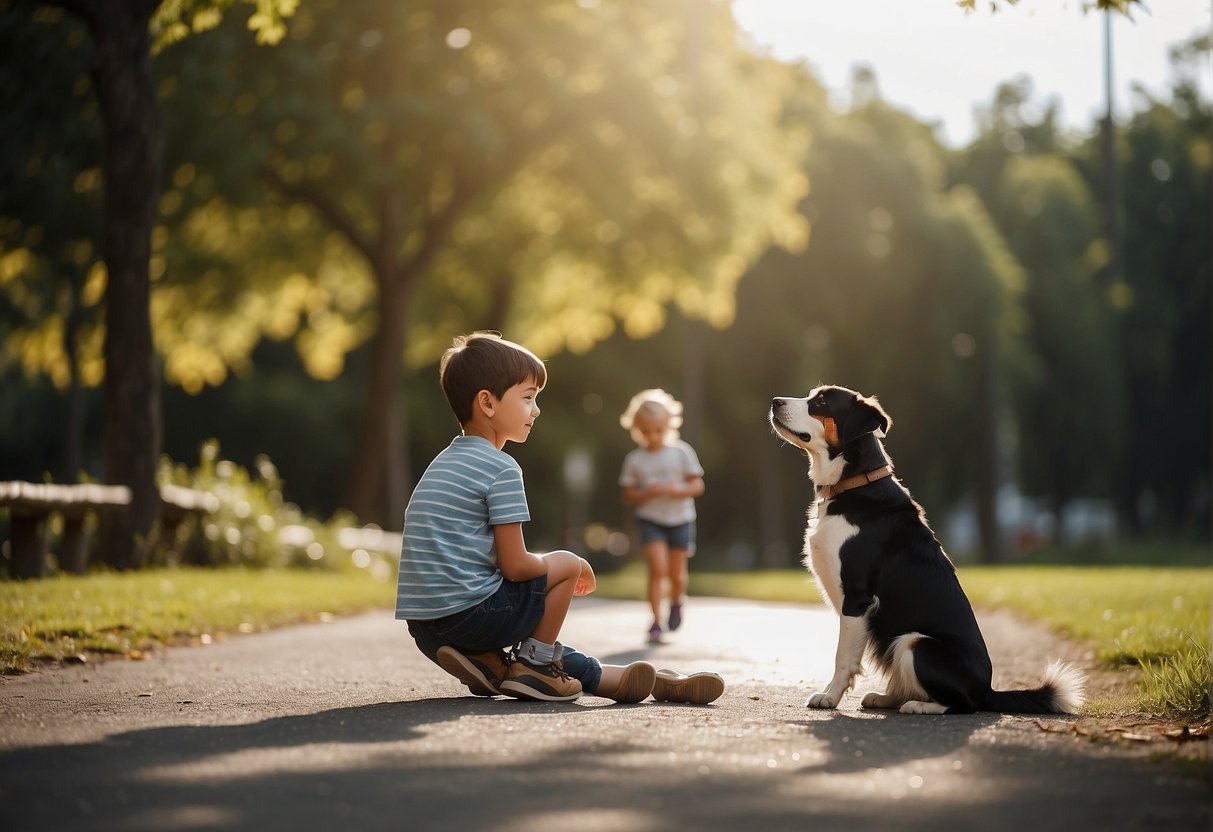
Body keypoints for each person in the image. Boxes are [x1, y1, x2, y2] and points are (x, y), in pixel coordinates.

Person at [397, 333, 723, 705]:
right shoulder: (500, 468)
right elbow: (516, 566)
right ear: (487, 402)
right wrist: (573, 565)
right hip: (471, 618)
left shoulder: (439, 466)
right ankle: (535, 669)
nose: (536, 410)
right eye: (527, 398)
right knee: (565, 566)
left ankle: (512, 667)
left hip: (427, 630)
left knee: (524, 649)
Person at [618, 388, 705, 645]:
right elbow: (628, 496)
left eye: (658, 430)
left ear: (669, 426)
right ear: (637, 429)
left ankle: (677, 602)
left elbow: (697, 486)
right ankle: (656, 621)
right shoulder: (635, 460)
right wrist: (646, 493)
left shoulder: (681, 452)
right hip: (651, 519)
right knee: (657, 570)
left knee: (677, 575)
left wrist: (678, 491)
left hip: (680, 518)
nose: (652, 437)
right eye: (646, 432)